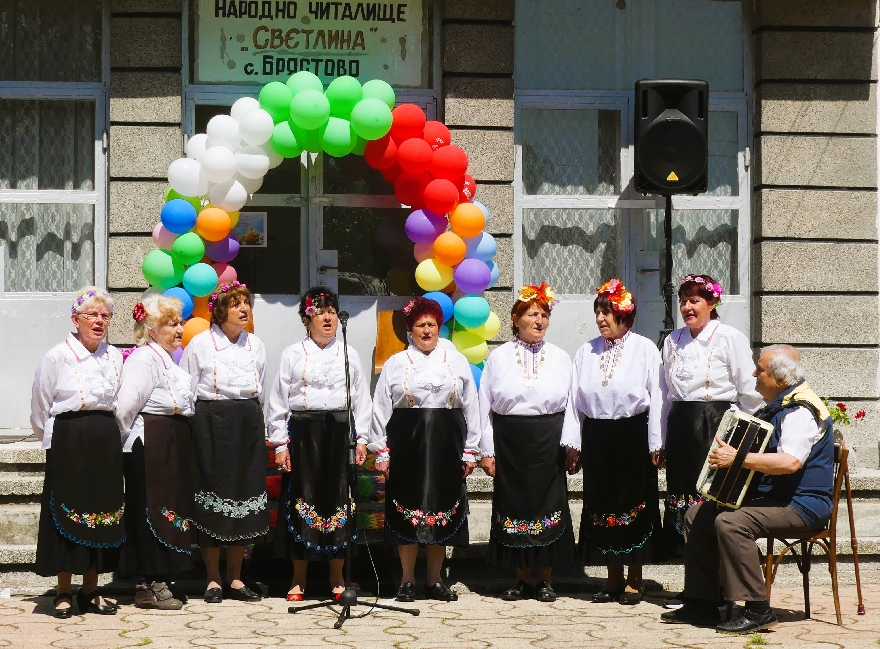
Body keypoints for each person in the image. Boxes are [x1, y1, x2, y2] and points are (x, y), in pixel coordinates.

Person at [661, 345, 835, 633]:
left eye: (761, 369)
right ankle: (704, 602)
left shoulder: (801, 411)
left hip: (804, 504)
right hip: (778, 499)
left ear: (780, 378)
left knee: (731, 522)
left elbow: (790, 462)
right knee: (696, 515)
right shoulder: (779, 404)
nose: (754, 373)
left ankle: (757, 609)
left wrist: (738, 459)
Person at [366, 297, 480, 602]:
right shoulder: (396, 363)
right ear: (410, 330)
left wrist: (471, 450)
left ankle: (434, 580)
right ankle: (406, 580)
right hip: (408, 443)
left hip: (447, 443)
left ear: (439, 327)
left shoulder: (455, 361)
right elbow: (380, 408)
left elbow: (471, 404)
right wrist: (381, 450)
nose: (426, 330)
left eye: (431, 324)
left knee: (440, 507)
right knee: (409, 507)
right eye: (420, 325)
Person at [266, 287, 372, 602]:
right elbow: (278, 401)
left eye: (331, 312)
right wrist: (280, 444)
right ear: (306, 319)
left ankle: (337, 577)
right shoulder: (292, 354)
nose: (327, 317)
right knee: (302, 501)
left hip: (339, 434)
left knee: (339, 501)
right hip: (303, 434)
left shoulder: (348, 352)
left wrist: (362, 438)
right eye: (319, 312)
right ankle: (298, 579)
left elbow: (361, 400)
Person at [562, 279, 663, 605]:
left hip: (632, 435)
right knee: (602, 505)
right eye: (598, 313)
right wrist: (573, 444)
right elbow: (574, 401)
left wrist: (656, 442)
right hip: (597, 437)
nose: (600, 319)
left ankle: (635, 579)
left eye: (607, 313)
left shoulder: (645, 348)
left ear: (625, 316)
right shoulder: (585, 351)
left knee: (632, 503)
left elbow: (658, 397)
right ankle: (612, 578)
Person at [478, 282, 574, 603]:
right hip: (510, 441)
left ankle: (545, 580)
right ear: (515, 318)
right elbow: (485, 405)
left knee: (548, 505)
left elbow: (573, 405)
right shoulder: (498, 357)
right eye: (532, 314)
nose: (539, 321)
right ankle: (520, 579)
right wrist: (486, 450)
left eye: (544, 314)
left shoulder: (561, 357)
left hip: (549, 441)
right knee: (514, 504)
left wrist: (572, 443)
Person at [31, 287, 124, 618]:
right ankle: (63, 591)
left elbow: (120, 403)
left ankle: (91, 588)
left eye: (104, 316)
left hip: (104, 439)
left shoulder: (114, 356)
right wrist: (53, 442)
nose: (99, 321)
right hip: (69, 439)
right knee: (66, 514)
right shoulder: (57, 356)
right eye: (91, 315)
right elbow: (40, 408)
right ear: (75, 320)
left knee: (100, 512)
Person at [660, 275, 763, 561]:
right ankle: (694, 584)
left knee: (711, 500)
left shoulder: (730, 337)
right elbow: (666, 393)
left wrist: (742, 442)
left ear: (712, 302)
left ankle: (719, 586)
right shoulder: (673, 340)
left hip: (714, 427)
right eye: (683, 302)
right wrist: (662, 440)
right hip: (682, 427)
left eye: (694, 301)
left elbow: (749, 394)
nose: (687, 308)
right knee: (683, 501)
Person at [180, 281, 267, 603]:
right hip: (210, 423)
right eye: (236, 304)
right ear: (220, 310)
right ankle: (213, 578)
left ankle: (235, 577)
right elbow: (187, 390)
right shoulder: (200, 345)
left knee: (244, 493)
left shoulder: (255, 345)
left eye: (246, 303)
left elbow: (262, 386)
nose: (244, 309)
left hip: (247, 422)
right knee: (213, 495)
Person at [116, 295, 195, 610]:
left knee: (166, 508)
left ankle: (161, 574)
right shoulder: (143, 359)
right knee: (149, 509)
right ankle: (146, 585)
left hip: (170, 440)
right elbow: (125, 407)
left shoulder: (167, 359)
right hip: (149, 443)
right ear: (151, 329)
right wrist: (126, 444)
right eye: (171, 324)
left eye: (179, 322)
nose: (179, 329)